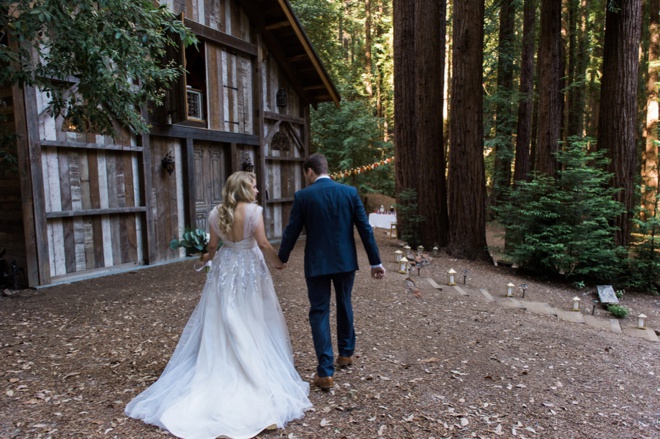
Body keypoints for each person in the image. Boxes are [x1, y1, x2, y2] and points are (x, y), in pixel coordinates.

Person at [125, 171, 311, 439]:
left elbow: (212, 249)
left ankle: (221, 360)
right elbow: (262, 243)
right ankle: (252, 374)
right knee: (251, 317)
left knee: (222, 316)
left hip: (225, 269)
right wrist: (279, 261)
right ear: (244, 189)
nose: (258, 191)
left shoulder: (216, 214)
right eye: (255, 187)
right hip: (248, 268)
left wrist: (201, 259)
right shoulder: (254, 212)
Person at [278, 153, 386, 390]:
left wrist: (282, 257)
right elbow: (365, 229)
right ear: (327, 169)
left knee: (319, 311)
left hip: (316, 263)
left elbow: (291, 230)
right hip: (345, 261)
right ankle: (346, 353)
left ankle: (325, 371)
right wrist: (375, 262)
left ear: (309, 171)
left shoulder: (303, 196)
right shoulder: (349, 193)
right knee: (344, 302)